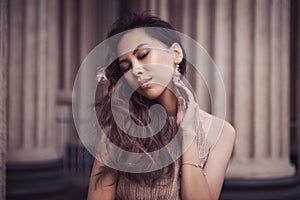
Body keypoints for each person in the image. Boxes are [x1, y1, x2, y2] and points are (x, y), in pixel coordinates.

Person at [87, 12, 236, 200]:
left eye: (143, 55)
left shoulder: (221, 133)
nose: (136, 70)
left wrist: (188, 135)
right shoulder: (118, 126)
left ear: (176, 54)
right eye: (126, 66)